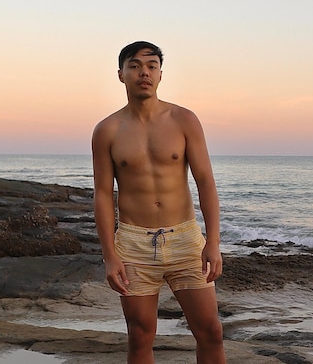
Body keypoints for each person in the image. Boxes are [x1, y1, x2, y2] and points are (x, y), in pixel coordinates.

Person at [92, 41, 226, 363]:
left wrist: (213, 242)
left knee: (210, 331)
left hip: (184, 239)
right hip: (134, 244)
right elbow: (101, 194)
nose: (144, 73)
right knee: (140, 336)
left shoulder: (183, 120)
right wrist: (110, 255)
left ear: (161, 74)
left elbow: (205, 181)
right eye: (135, 66)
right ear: (121, 74)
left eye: (152, 66)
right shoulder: (107, 130)